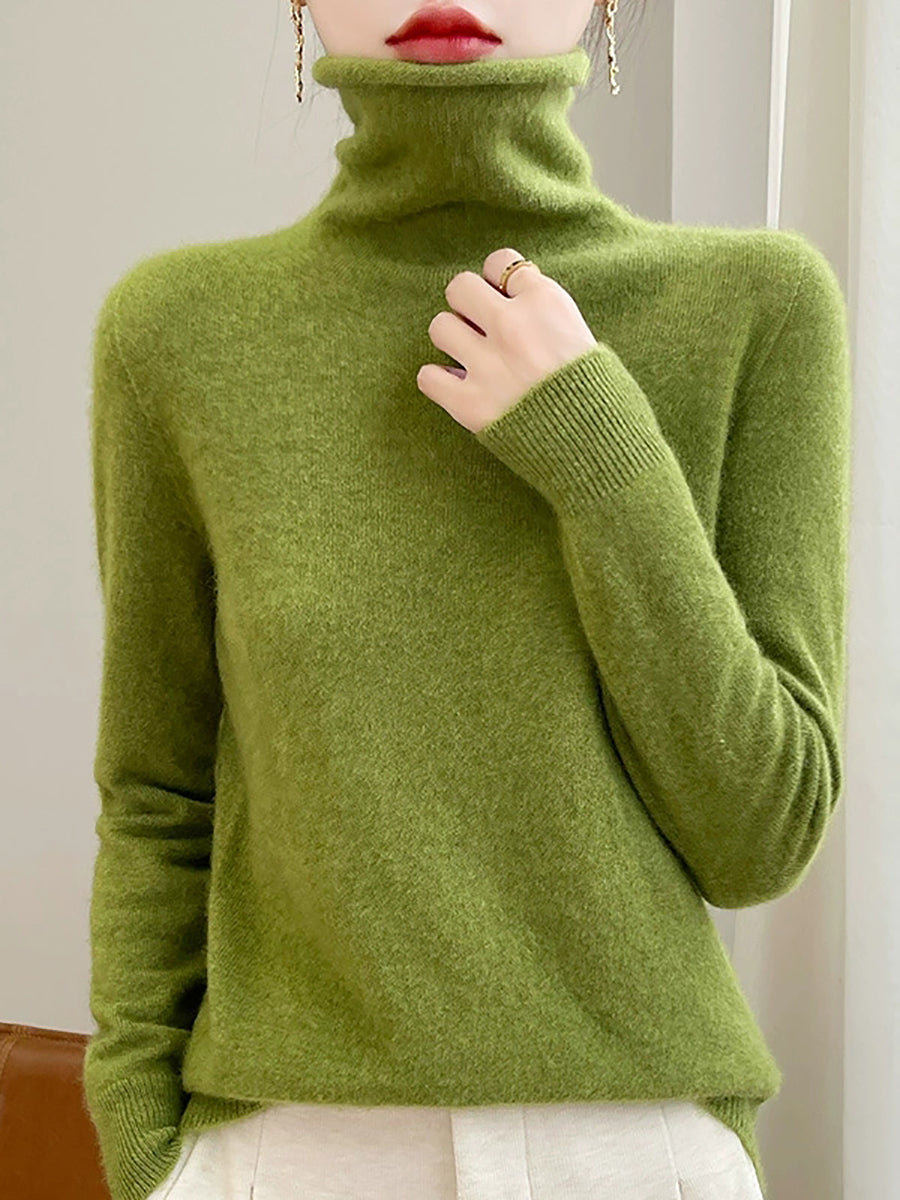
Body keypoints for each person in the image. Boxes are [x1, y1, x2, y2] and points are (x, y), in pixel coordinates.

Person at [82, 0, 853, 1198]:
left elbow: (762, 835)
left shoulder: (756, 304)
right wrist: (144, 1150)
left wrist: (600, 449)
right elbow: (158, 792)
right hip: (289, 1152)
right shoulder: (177, 336)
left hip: (630, 1153)